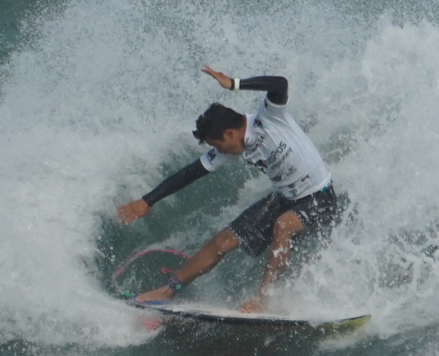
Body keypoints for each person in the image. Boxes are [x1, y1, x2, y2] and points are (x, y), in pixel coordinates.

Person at [117, 65, 337, 313]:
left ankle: (263, 300)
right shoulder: (232, 148)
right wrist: (148, 201)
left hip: (321, 197)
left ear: (230, 133)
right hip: (286, 198)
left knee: (284, 224)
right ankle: (169, 291)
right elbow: (190, 172)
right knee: (222, 241)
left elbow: (279, 84)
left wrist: (234, 84)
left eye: (217, 144)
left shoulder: (269, 118)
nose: (218, 151)